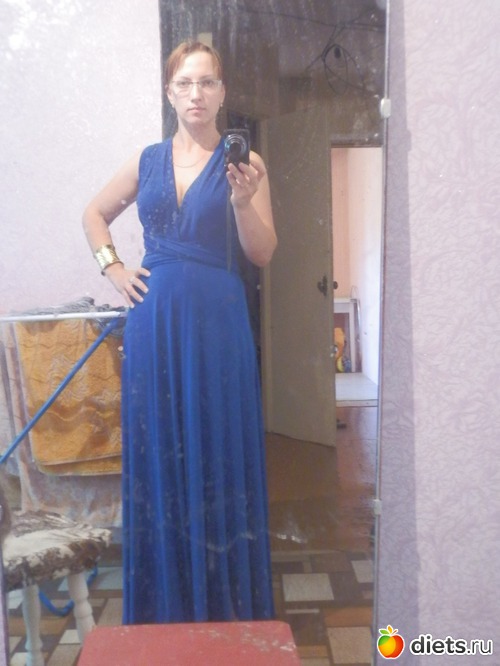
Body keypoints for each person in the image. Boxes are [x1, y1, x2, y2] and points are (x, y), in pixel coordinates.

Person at [82, 40, 277, 624]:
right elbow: (94, 214)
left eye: (207, 82)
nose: (197, 94)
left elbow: (263, 253)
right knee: (160, 450)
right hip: (154, 325)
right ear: (170, 93)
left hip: (218, 324)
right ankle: (164, 607)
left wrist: (243, 203)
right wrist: (114, 269)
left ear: (222, 92)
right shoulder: (146, 161)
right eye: (185, 83)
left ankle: (223, 606)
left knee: (218, 447)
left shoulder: (248, 164)